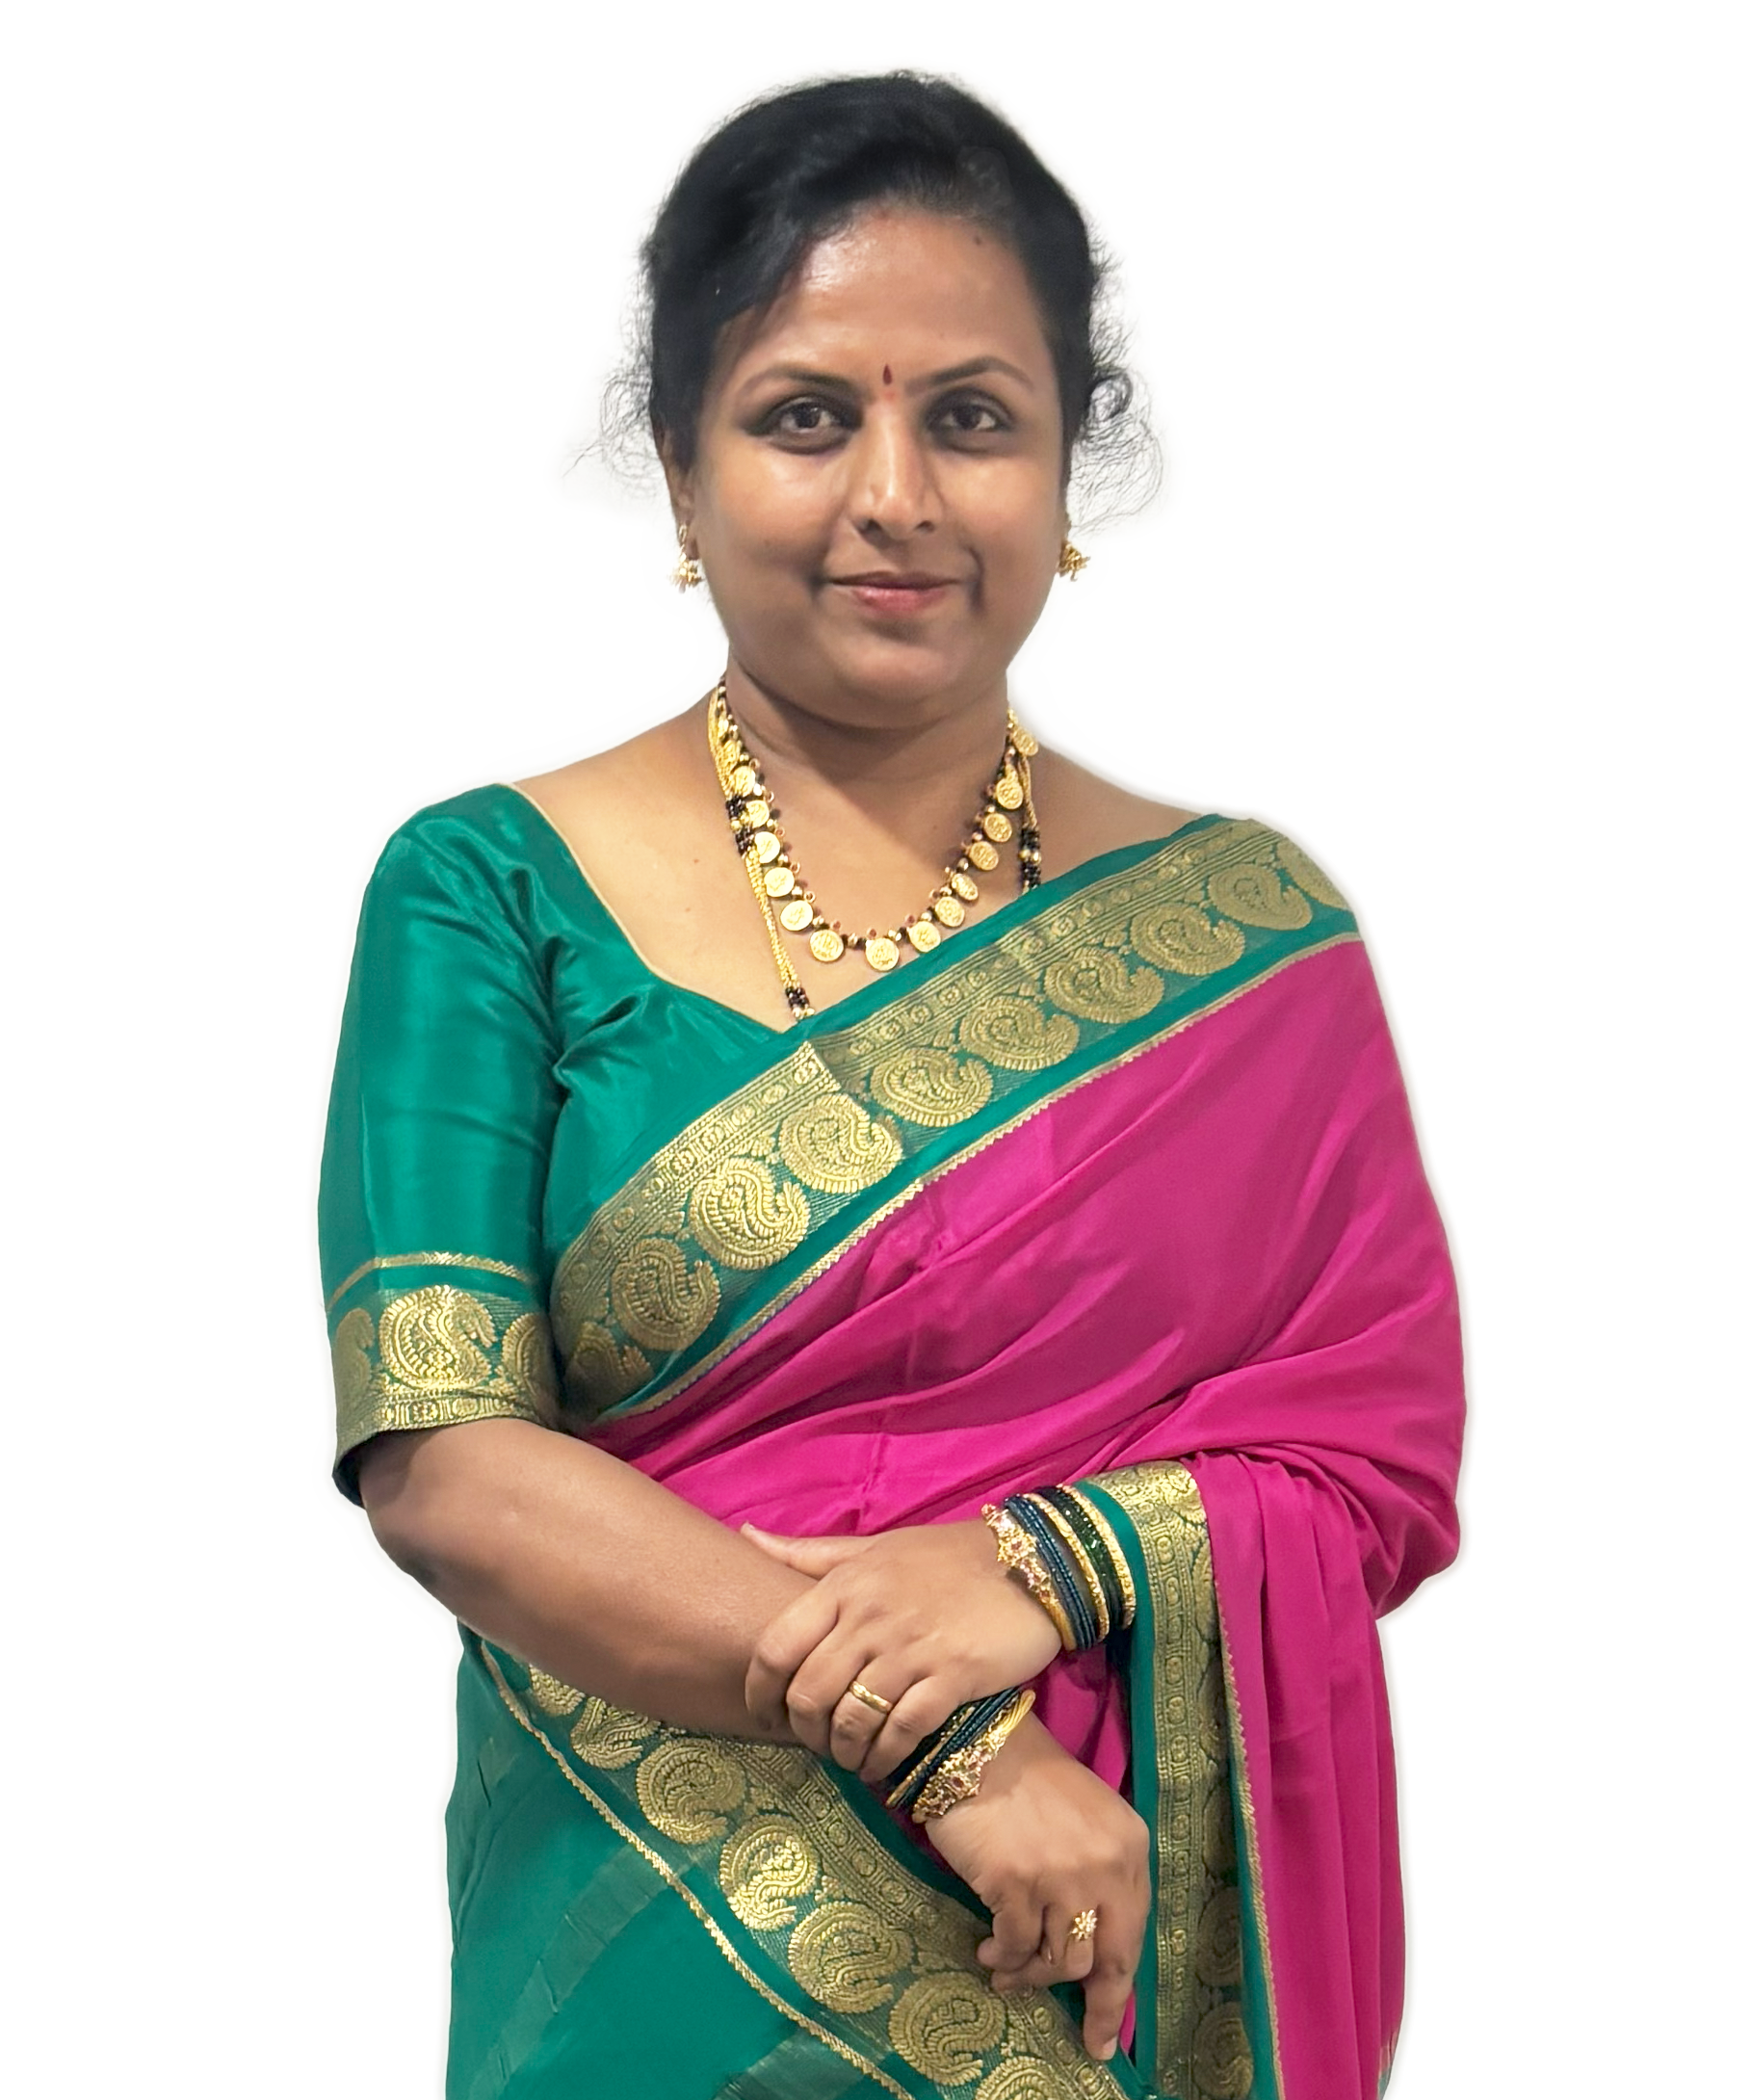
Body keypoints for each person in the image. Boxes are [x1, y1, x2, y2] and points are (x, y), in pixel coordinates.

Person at [319, 70, 1464, 2100]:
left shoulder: (1253, 938)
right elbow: (447, 1460)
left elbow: (1373, 1453)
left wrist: (1044, 1562)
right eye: (801, 417)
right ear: (680, 475)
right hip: (657, 1950)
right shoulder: (487, 891)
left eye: (973, 418)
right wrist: (954, 1746)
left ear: (1066, 468)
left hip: (1116, 1964)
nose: (896, 496)